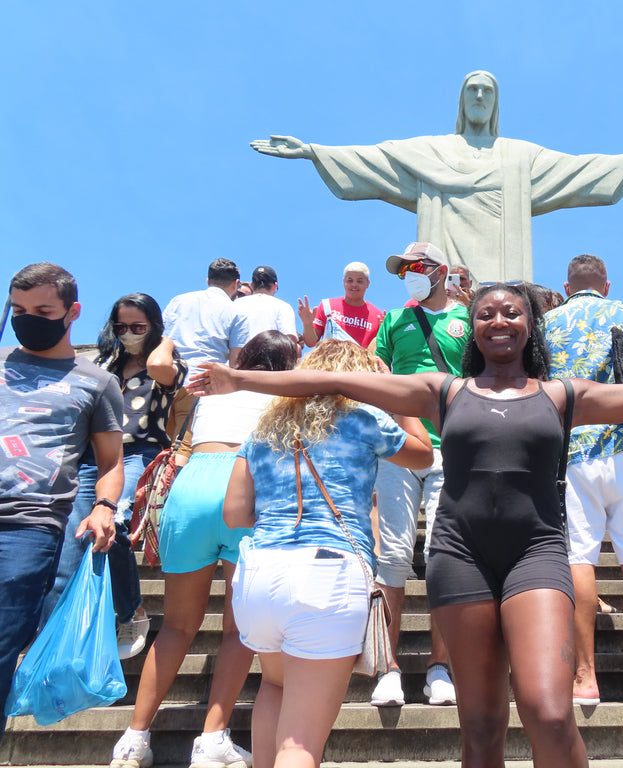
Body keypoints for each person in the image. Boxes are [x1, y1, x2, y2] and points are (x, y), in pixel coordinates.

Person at [187, 282, 623, 768]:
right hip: (460, 556)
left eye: (512, 312)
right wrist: (238, 379)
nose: (500, 321)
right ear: (472, 328)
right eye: (486, 314)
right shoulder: (443, 390)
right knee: (480, 728)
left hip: (536, 552)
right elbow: (330, 378)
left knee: (548, 711)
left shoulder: (564, 395)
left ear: (530, 324)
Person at [250, 70, 623, 283]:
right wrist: (313, 151)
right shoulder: (430, 151)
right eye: (472, 90)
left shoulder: (519, 156)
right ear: (462, 102)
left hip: (505, 276)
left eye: (487, 91)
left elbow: (574, 169)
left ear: (495, 103)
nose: (480, 96)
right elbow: (375, 159)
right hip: (444, 270)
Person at [223, 340, 433, 768]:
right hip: (327, 571)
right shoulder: (364, 417)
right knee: (300, 746)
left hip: (258, 571)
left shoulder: (265, 429)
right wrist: (393, 388)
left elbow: (235, 513)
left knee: (275, 688)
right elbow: (424, 453)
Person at [109, 331, 299, 768]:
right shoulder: (284, 392)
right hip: (246, 487)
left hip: (192, 485)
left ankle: (134, 738)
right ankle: (212, 739)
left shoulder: (210, 389)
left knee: (176, 627)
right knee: (237, 630)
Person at [543, 253, 623, 708]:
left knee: (580, 558)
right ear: (606, 285)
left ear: (566, 285)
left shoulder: (547, 322)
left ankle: (585, 678)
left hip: (572, 451)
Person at [0, 263, 124, 740]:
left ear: (72, 311)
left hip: (29, 528)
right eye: (18, 310)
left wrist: (103, 508)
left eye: (42, 310)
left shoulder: (96, 383)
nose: (27, 318)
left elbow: (111, 463)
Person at [40, 293, 187, 660]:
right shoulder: (105, 363)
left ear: (154, 326)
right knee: (70, 543)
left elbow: (158, 368)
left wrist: (163, 340)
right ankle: (51, 638)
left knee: (116, 523)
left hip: (139, 452)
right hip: (91, 458)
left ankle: (130, 609)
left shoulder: (169, 361)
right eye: (121, 327)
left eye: (138, 327)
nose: (128, 334)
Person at [368, 242, 468, 708]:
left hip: (454, 447)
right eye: (403, 268)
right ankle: (388, 667)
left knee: (442, 555)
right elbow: (375, 369)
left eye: (416, 267)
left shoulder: (468, 319)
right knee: (390, 555)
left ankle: (439, 665)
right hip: (398, 447)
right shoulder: (391, 320)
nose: (408, 273)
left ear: (440, 271)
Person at [162, 258, 250, 441]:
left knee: (155, 452)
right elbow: (235, 364)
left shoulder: (178, 301)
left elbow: (159, 340)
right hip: (201, 387)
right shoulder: (237, 313)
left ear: (208, 281)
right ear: (235, 284)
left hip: (165, 381)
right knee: (182, 453)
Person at [298, 261, 384, 349]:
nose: (354, 285)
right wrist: (307, 324)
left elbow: (377, 353)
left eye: (359, 281)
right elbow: (311, 343)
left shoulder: (377, 315)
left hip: (361, 362)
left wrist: (383, 337)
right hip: (329, 362)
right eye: (350, 280)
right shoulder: (327, 306)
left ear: (367, 284)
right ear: (344, 282)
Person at [234, 266, 300, 348]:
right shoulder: (283, 307)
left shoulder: (236, 304)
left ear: (252, 285)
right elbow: (290, 341)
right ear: (275, 286)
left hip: (239, 358)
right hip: (271, 359)